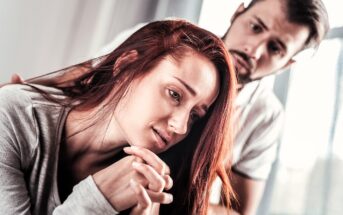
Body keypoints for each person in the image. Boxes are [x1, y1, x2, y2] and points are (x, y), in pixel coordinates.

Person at [3, 0, 330, 214]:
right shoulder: (166, 43)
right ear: (238, 13)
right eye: (256, 27)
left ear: (288, 63)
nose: (255, 50)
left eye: (275, 48)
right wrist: (19, 98)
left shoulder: (266, 118)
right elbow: (89, 77)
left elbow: (238, 211)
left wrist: (173, 202)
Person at [0, 20, 237, 215]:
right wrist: (97, 200)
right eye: (174, 94)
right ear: (126, 67)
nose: (181, 126)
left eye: (195, 115)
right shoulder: (12, 116)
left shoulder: (151, 191)